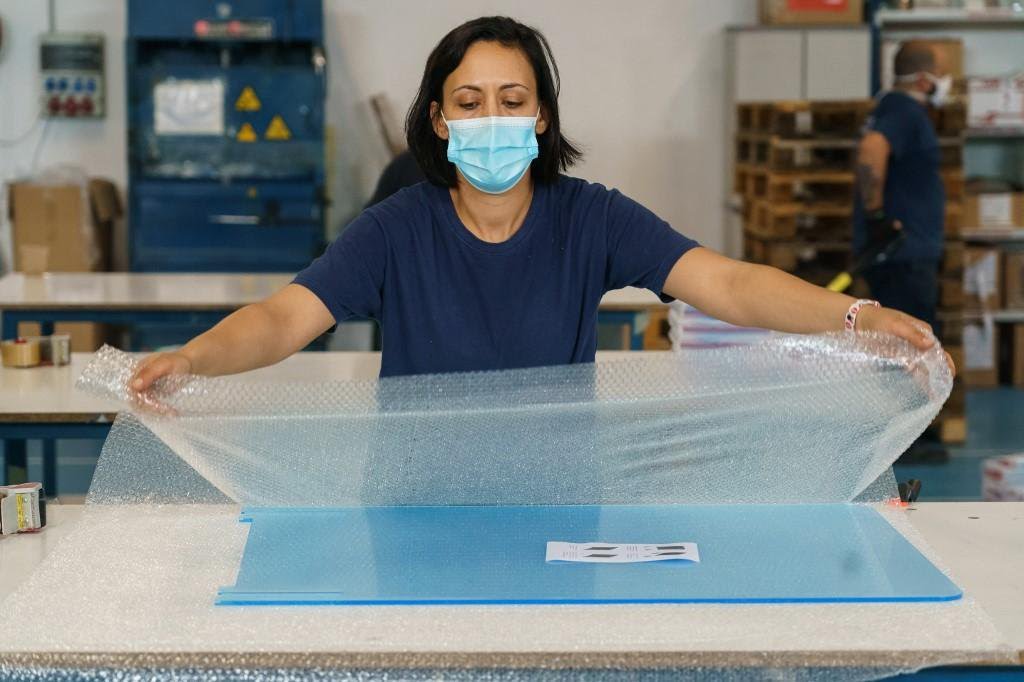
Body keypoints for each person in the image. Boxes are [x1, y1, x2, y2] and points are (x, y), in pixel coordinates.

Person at [132, 16, 950, 391]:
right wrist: (193, 359)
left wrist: (858, 317)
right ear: (439, 121)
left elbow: (727, 284)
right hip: (418, 501)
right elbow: (283, 319)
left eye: (513, 99)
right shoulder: (394, 230)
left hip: (560, 495)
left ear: (542, 118)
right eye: (470, 102)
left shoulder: (591, 218)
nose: (492, 118)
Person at [854, 41, 951, 334]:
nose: (947, 82)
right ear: (924, 80)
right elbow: (871, 149)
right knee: (910, 345)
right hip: (903, 256)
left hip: (902, 254)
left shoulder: (890, 107)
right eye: (942, 74)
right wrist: (875, 216)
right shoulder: (906, 112)